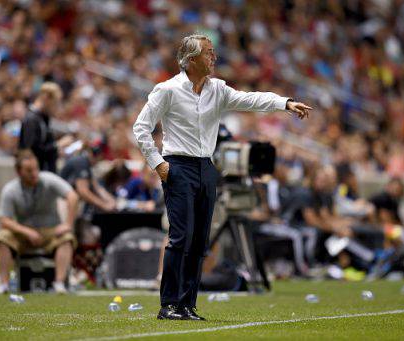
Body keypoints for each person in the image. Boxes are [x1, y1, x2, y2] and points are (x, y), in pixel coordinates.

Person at [133, 34, 312, 320]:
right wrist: (158, 164)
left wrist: (284, 103)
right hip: (177, 166)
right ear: (190, 60)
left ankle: (187, 305)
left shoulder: (218, 88)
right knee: (180, 238)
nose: (213, 57)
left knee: (200, 241)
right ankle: (168, 305)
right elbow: (140, 128)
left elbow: (250, 99)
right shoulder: (166, 90)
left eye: (213, 52)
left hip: (206, 168)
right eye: (208, 53)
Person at [0, 150, 78, 294]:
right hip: (24, 234)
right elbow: (4, 220)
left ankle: (59, 283)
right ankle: (4, 284)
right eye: (29, 170)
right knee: (2, 237)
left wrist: (68, 224)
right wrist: (26, 232)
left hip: (50, 231)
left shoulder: (49, 180)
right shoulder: (10, 190)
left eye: (36, 169)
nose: (34, 173)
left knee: (67, 238)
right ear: (19, 172)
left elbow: (72, 196)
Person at [18, 82, 73, 173]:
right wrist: (58, 145)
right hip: (36, 175)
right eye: (55, 103)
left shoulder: (43, 119)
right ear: (46, 98)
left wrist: (57, 151)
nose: (56, 108)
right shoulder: (31, 119)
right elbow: (32, 151)